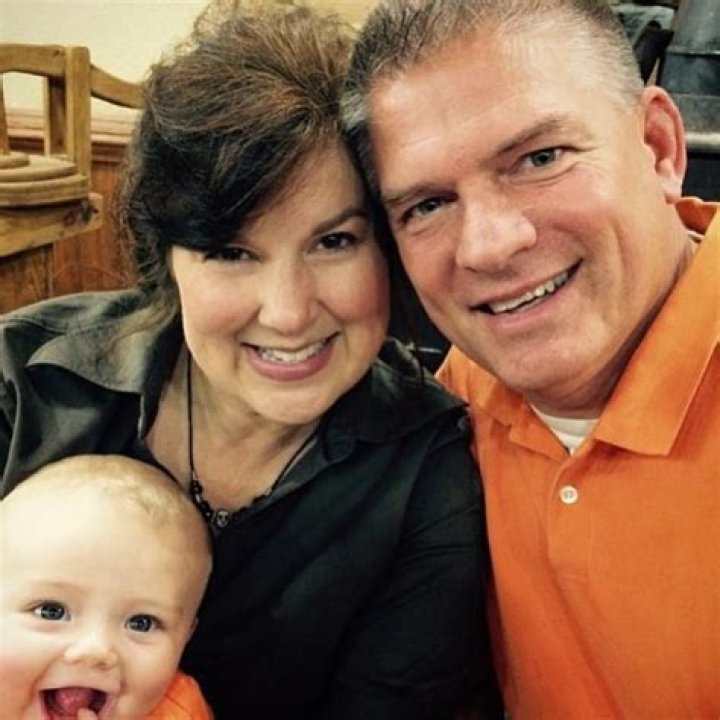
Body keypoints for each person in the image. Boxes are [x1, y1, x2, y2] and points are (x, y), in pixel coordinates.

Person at [0, 2, 499, 718]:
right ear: (166, 260)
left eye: (334, 242)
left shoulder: (424, 474)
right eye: (231, 252)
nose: (288, 312)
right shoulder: (22, 386)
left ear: (389, 248)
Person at [341, 0, 720, 717]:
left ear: (658, 147)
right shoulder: (453, 403)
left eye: (540, 159)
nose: (488, 245)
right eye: (427, 205)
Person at [0, 454, 213, 720]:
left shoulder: (180, 711)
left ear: (185, 637)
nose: (95, 649)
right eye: (51, 611)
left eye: (141, 623)